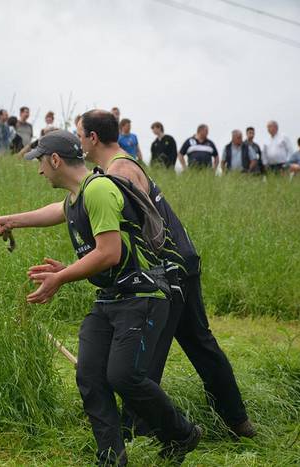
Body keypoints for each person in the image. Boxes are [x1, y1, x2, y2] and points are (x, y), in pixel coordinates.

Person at [0, 127, 201, 466]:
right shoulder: (78, 196)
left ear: (56, 159)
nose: (40, 170)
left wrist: (61, 276)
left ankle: (182, 434)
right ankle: (111, 457)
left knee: (123, 377)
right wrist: (10, 221)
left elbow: (108, 254)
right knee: (89, 375)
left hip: (141, 295)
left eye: (41, 162)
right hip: (111, 297)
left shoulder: (99, 189)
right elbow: (54, 212)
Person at [68, 110, 254, 441]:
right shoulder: (116, 168)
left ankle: (142, 431)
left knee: (148, 351)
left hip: (169, 268)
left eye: (79, 133)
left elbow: (124, 227)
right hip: (179, 260)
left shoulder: (121, 170)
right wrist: (13, 220)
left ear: (92, 137)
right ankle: (237, 420)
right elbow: (70, 207)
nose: (78, 139)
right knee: (199, 343)